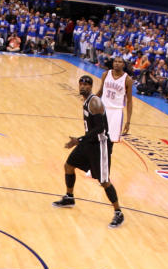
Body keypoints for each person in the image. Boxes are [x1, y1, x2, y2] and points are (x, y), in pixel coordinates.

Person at [53, 75, 125, 228]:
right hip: (88, 143)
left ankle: (118, 212)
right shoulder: (86, 101)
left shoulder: (95, 102)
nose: (83, 86)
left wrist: (78, 140)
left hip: (100, 146)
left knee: (104, 181)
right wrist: (82, 140)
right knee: (69, 165)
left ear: (91, 87)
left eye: (87, 84)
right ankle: (69, 197)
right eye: (81, 84)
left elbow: (101, 128)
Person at [97, 56, 133, 143]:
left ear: (123, 65)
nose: (117, 63)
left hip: (117, 111)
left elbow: (129, 101)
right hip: (103, 109)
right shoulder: (105, 74)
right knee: (98, 138)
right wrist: (90, 101)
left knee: (111, 141)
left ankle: (107, 156)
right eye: (115, 61)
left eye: (119, 62)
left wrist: (128, 121)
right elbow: (100, 91)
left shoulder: (127, 79)